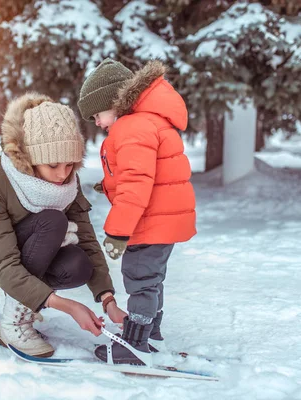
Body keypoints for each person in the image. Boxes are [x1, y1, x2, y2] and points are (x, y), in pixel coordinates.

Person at [0, 92, 127, 357]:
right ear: (30, 157)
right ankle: (13, 323)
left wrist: (107, 298)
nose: (62, 174)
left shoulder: (67, 182)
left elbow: (87, 239)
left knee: (78, 264)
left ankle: (25, 305)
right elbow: (3, 263)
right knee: (53, 221)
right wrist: (65, 305)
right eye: (53, 164)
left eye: (70, 164)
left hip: (28, 250)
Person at [77, 59, 197, 365]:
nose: (98, 122)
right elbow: (144, 175)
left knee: (140, 278)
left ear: (115, 102)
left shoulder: (132, 127)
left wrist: (117, 232)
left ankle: (134, 346)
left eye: (98, 114)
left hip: (148, 221)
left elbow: (136, 185)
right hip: (162, 220)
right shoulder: (147, 122)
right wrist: (110, 184)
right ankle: (150, 335)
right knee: (151, 279)